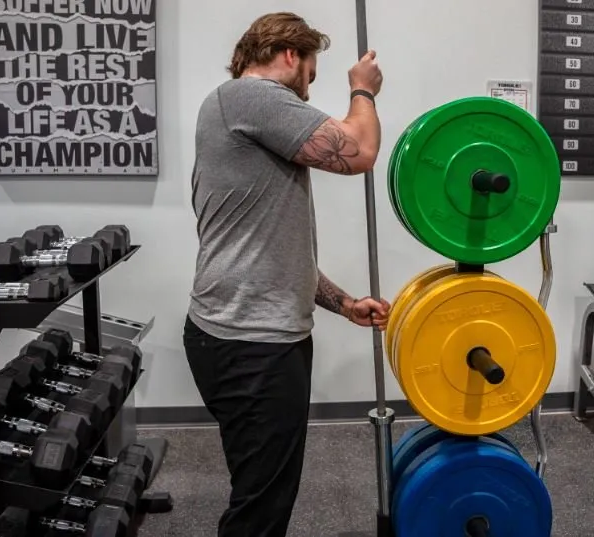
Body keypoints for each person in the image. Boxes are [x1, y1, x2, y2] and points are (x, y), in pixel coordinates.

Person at [183, 11, 390, 537]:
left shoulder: (231, 111)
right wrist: (362, 92)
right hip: (253, 346)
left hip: (244, 337)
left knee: (259, 489)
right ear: (291, 56)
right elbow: (361, 151)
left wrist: (343, 303)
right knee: (261, 509)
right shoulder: (252, 97)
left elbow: (276, 251)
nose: (306, 92)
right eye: (311, 76)